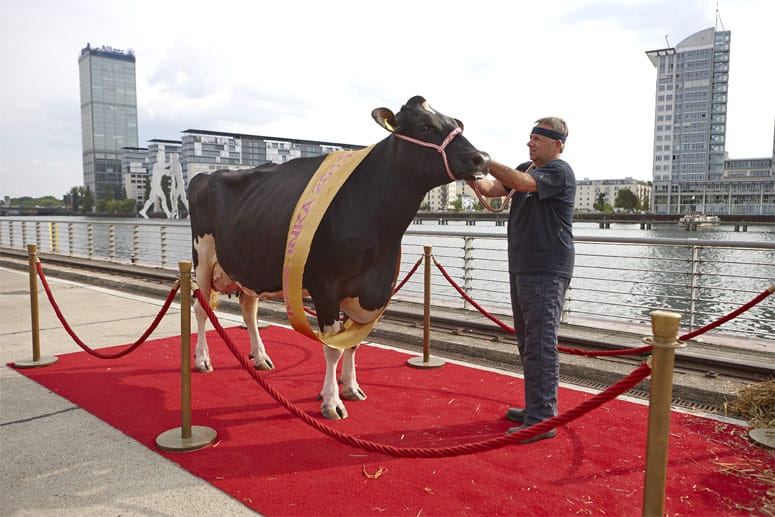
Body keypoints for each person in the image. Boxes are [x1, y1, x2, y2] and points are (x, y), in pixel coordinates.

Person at [469, 117, 575, 443]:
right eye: (529, 138)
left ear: (557, 144)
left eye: (537, 139)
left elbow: (522, 183)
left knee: (540, 345)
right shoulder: (525, 168)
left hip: (546, 268)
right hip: (523, 267)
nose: (530, 144)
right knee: (528, 343)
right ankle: (535, 407)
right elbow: (492, 189)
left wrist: (485, 161)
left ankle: (542, 418)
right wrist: (471, 174)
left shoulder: (559, 172)